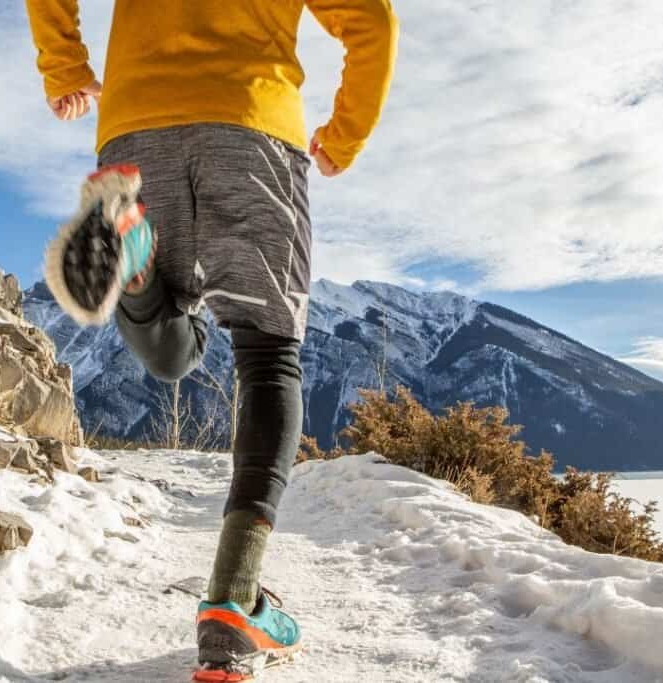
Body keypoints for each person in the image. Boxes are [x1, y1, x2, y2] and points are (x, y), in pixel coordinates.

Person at [26, 2, 398, 679]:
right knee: (267, 357)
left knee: (173, 350)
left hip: (135, 134)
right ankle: (233, 597)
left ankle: (135, 264)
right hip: (252, 133)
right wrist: (343, 134)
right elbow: (372, 20)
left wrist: (65, 66)